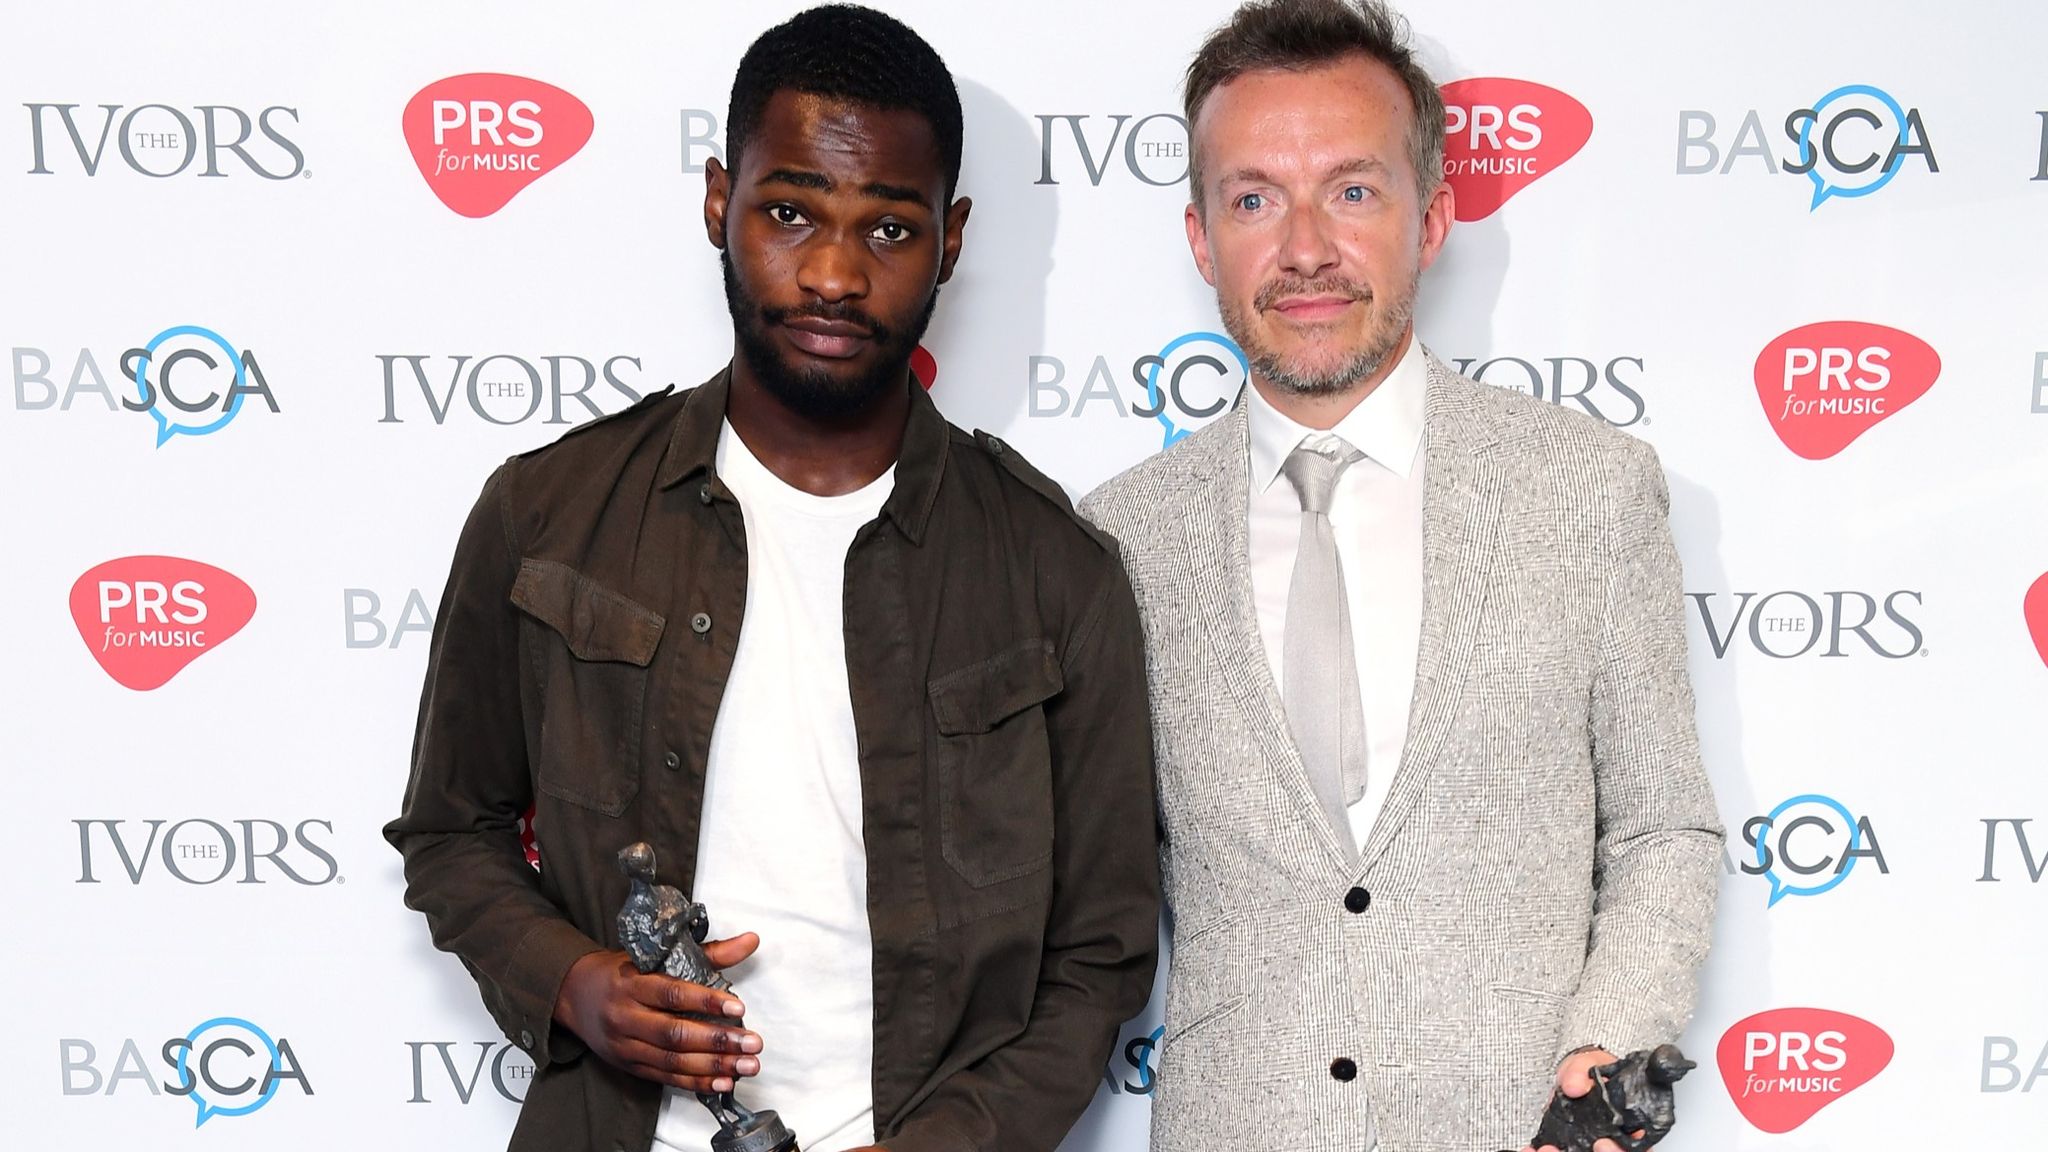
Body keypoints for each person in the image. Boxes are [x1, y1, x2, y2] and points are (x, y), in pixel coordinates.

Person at [385, 7, 1159, 1151]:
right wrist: (575, 984)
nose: (836, 275)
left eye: (888, 229)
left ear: (950, 239)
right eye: (789, 212)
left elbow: (1099, 953)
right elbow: (452, 832)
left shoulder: (1055, 571)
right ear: (718, 202)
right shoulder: (548, 513)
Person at [1077, 2, 1722, 1150]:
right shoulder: (1117, 538)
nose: (1304, 247)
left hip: (1520, 1128)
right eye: (1253, 197)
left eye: (1352, 190)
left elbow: (1660, 830)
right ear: (1198, 238)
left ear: (1431, 219)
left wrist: (1604, 1046)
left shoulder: (1587, 490)